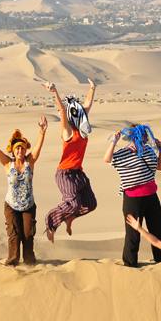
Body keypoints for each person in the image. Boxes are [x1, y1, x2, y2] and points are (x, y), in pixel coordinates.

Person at [0, 117, 48, 265]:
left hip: (28, 205)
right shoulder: (8, 163)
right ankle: (13, 262)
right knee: (14, 235)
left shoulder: (30, 162)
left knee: (28, 235)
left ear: (25, 149)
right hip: (11, 205)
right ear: (13, 151)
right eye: (17, 148)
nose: (20, 150)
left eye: (22, 148)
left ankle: (29, 263)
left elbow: (38, 148)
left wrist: (42, 132)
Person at [42, 79, 98, 242]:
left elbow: (88, 104)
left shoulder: (82, 128)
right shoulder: (68, 132)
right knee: (73, 203)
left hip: (78, 173)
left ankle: (70, 218)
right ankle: (51, 221)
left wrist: (92, 88)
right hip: (65, 174)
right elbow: (61, 110)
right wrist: (55, 92)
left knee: (90, 203)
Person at [105, 123, 161, 267]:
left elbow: (160, 166)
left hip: (151, 196)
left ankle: (160, 259)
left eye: (145, 134)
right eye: (142, 134)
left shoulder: (149, 151)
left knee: (157, 228)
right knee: (133, 233)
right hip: (132, 198)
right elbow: (107, 159)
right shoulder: (125, 152)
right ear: (134, 136)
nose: (145, 137)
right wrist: (114, 141)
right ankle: (130, 263)